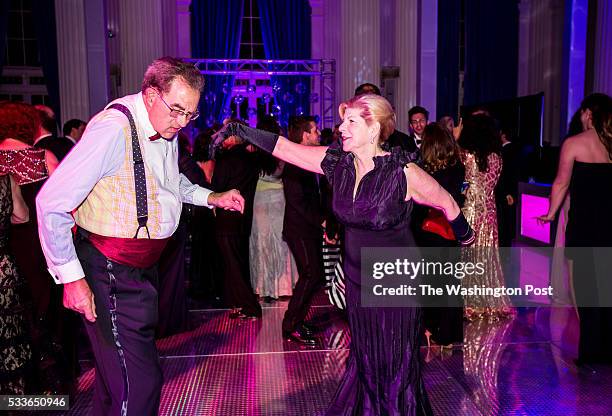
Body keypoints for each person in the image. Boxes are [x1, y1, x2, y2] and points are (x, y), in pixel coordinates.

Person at [211, 93, 474, 415]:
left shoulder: (401, 172)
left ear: (374, 127)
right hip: (357, 280)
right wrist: (242, 129)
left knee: (393, 359)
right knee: (365, 355)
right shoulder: (337, 164)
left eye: (351, 121)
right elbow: (287, 149)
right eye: (342, 120)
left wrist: (466, 234)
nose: (341, 128)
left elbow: (446, 201)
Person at [36, 57, 245, 415]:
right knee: (140, 384)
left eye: (190, 115)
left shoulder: (165, 129)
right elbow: (51, 203)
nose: (182, 122)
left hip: (142, 272)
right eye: (177, 110)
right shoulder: (113, 129)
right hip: (108, 270)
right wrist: (72, 280)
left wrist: (210, 196)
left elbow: (167, 183)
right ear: (150, 94)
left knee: (112, 384)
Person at [537, 93, 612, 365]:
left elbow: (560, 183)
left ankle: (592, 353)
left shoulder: (575, 144)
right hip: (609, 227)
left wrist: (550, 213)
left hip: (585, 227)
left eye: (581, 113)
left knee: (588, 291)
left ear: (589, 113)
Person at [458, 114, 513, 321]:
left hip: (471, 209)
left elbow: (465, 184)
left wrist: (461, 192)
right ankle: (488, 301)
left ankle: (470, 302)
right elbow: (491, 186)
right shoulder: (497, 157)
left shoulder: (468, 155)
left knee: (469, 255)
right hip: (489, 211)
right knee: (487, 256)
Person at [419, 122, 465, 347]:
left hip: (430, 229)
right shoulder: (457, 166)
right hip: (451, 229)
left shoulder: (425, 170)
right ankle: (450, 334)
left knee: (430, 283)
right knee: (451, 284)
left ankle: (430, 327)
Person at [0, 155, 35, 394]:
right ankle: (14, 402)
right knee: (8, 339)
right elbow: (22, 216)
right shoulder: (6, 180)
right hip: (2, 271)